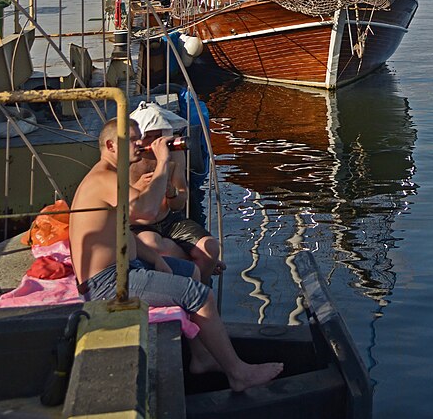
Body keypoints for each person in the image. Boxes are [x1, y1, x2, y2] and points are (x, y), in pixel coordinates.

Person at [69, 118, 283, 389]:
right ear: (111, 145)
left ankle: (202, 357)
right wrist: (161, 163)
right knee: (200, 296)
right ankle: (239, 374)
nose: (140, 144)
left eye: (139, 137)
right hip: (109, 283)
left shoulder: (112, 177)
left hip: (126, 266)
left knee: (192, 272)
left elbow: (124, 232)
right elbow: (146, 211)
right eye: (132, 139)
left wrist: (156, 258)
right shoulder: (103, 179)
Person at [128, 105, 224, 283]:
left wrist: (171, 192)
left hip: (168, 220)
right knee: (153, 244)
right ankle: (196, 267)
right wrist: (138, 186)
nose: (153, 142)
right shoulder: (128, 158)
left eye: (158, 136)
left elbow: (179, 203)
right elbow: (115, 201)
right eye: (148, 136)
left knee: (210, 247)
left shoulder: (173, 155)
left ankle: (199, 289)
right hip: (137, 224)